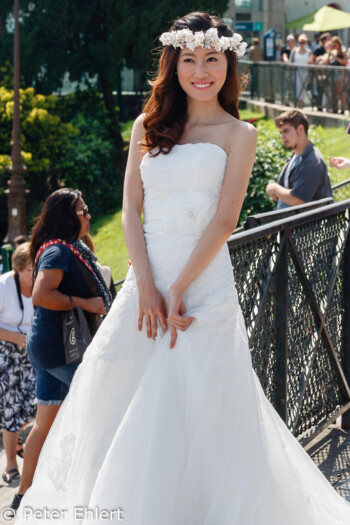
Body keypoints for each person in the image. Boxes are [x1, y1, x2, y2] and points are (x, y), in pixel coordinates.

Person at [13, 12, 350, 524]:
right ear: (172, 64)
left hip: (205, 285)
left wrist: (180, 287)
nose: (201, 70)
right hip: (146, 281)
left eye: (212, 59)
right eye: (189, 59)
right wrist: (146, 285)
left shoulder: (240, 134)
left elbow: (224, 220)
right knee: (121, 402)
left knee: (204, 410)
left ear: (228, 63)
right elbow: (130, 208)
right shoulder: (146, 127)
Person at [10, 188, 112, 513]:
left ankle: (22, 496)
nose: (88, 215)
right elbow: (41, 295)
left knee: (44, 423)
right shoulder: (58, 250)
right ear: (67, 216)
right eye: (83, 210)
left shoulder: (69, 247)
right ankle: (95, 490)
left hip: (51, 349)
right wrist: (87, 303)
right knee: (102, 407)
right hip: (59, 351)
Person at [0, 243, 36, 485]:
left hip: (33, 350)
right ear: (18, 268)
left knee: (38, 402)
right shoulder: (4, 286)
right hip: (7, 350)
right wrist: (16, 337)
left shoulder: (42, 283)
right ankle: (11, 464)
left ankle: (24, 443)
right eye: (31, 268)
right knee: (11, 407)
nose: (36, 273)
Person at [266, 110, 332, 209]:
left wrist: (275, 189)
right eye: (281, 133)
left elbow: (298, 199)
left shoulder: (311, 162)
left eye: (286, 131)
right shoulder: (297, 154)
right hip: (291, 222)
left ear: (300, 129)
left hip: (308, 223)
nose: (282, 137)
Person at [324, 36, 348, 113]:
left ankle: (343, 109)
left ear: (338, 44)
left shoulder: (343, 51)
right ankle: (335, 108)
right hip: (332, 74)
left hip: (340, 74)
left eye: (335, 45)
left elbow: (345, 62)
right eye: (332, 45)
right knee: (334, 92)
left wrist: (335, 56)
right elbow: (328, 64)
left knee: (341, 92)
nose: (334, 47)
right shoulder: (332, 52)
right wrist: (329, 55)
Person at [290, 34, 312, 108]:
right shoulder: (294, 51)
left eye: (303, 42)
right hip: (296, 73)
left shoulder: (309, 52)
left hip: (305, 73)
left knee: (303, 90)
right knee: (297, 89)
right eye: (300, 42)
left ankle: (301, 105)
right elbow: (291, 62)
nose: (301, 44)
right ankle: (298, 105)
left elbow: (311, 63)